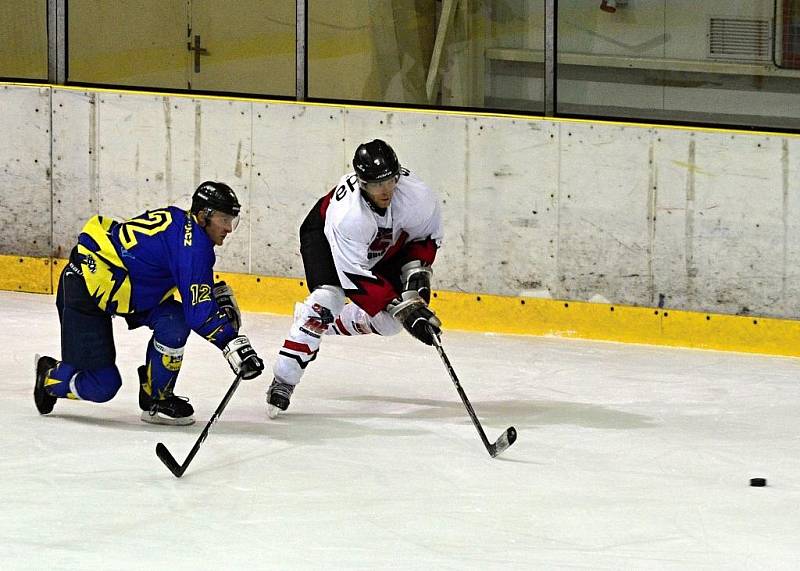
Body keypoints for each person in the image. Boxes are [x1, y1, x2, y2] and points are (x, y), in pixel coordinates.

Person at [34, 181, 264, 426]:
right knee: (103, 386)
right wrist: (231, 343)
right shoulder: (194, 247)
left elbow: (192, 294)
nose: (229, 228)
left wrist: (213, 309)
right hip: (86, 286)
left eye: (232, 220)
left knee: (174, 321)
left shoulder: (184, 225)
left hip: (128, 287)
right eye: (224, 219)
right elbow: (199, 312)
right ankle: (49, 378)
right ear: (204, 215)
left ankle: (158, 398)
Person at [267, 139, 443, 418]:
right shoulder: (348, 215)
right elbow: (355, 278)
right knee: (328, 299)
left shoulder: (416, 196)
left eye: (390, 180)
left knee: (390, 324)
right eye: (376, 184)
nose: (385, 190)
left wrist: (415, 285)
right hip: (323, 237)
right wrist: (404, 308)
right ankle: (285, 377)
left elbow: (425, 238)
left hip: (382, 243)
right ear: (361, 183)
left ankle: (319, 322)